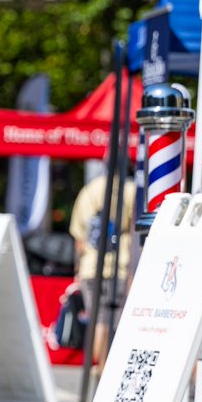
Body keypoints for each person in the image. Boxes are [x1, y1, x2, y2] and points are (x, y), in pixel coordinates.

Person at [68, 166, 136, 388]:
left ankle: (99, 367)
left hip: (91, 266)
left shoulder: (89, 190)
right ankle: (106, 367)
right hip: (121, 264)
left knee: (98, 320)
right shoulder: (131, 190)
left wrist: (78, 267)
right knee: (114, 322)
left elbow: (79, 237)